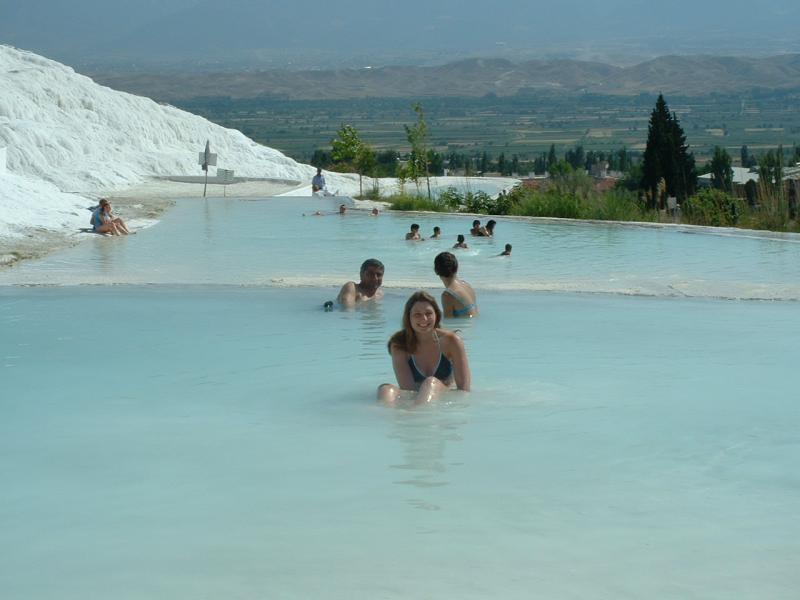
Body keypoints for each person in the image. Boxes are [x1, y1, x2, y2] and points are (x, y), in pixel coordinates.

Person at [377, 291, 471, 405]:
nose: (424, 319)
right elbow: (408, 391)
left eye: (428, 313)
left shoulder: (452, 341)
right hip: (415, 396)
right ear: (408, 318)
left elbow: (464, 389)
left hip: (443, 394)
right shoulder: (399, 345)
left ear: (436, 315)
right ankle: (384, 418)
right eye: (417, 314)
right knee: (385, 390)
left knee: (430, 382)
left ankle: (417, 415)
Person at [434, 251, 478, 318]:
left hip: (464, 327)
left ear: (436, 271)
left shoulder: (448, 295)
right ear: (456, 268)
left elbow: (448, 321)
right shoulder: (466, 285)